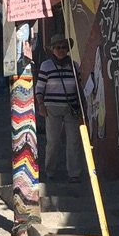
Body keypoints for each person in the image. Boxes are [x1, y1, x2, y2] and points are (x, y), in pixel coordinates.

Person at [36, 33, 83, 182]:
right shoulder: (46, 66)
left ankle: (74, 173)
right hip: (52, 108)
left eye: (63, 47)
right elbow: (40, 88)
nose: (61, 50)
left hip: (71, 108)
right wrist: (41, 104)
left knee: (73, 141)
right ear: (52, 50)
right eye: (57, 48)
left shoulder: (74, 66)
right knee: (53, 141)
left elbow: (79, 87)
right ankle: (50, 171)